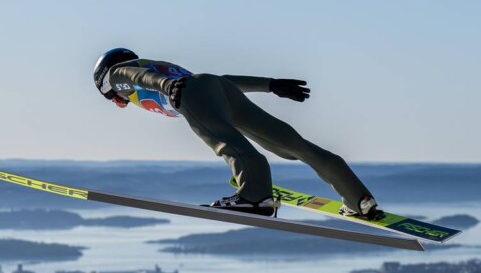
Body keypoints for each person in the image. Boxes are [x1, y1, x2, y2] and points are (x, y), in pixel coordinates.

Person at [93, 47, 381, 218]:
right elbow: (220, 81)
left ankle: (255, 197)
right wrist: (270, 84)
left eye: (112, 98)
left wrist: (165, 87)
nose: (119, 103)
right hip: (217, 89)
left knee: (227, 143)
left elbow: (136, 77)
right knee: (292, 145)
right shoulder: (158, 65)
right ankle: (358, 199)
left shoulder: (119, 76)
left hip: (192, 95)